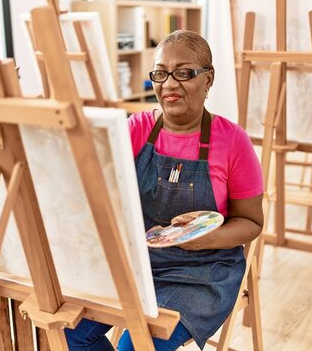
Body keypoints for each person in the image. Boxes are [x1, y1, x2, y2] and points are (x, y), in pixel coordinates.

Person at [65, 30, 264, 351]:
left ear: (208, 79)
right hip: (137, 264)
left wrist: (204, 240)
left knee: (138, 345)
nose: (169, 84)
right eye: (160, 73)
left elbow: (252, 223)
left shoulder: (233, 141)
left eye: (184, 73)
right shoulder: (136, 128)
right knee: (68, 331)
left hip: (202, 273)